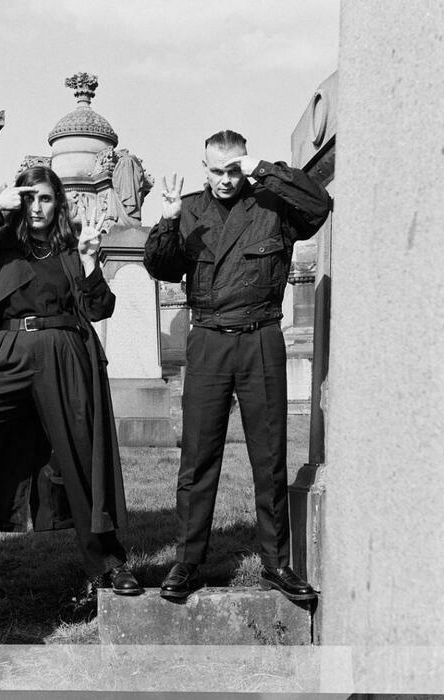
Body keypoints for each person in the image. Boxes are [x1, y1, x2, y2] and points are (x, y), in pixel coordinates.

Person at [0, 165, 142, 598]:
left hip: (63, 354)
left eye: (46, 198)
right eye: (30, 198)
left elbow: (99, 309)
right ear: (20, 199)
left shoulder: (72, 249)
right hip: (6, 352)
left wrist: (92, 264)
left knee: (80, 456)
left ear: (59, 204)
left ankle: (107, 565)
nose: (37, 207)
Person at [144, 129, 332, 602]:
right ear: (203, 167)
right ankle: (187, 562)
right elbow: (162, 267)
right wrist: (166, 221)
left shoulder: (272, 203)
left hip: (260, 337)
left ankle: (276, 564)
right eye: (216, 170)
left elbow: (319, 206)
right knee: (198, 458)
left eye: (234, 169)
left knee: (268, 458)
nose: (225, 180)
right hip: (208, 338)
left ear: (244, 164)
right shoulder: (187, 209)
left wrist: (264, 171)